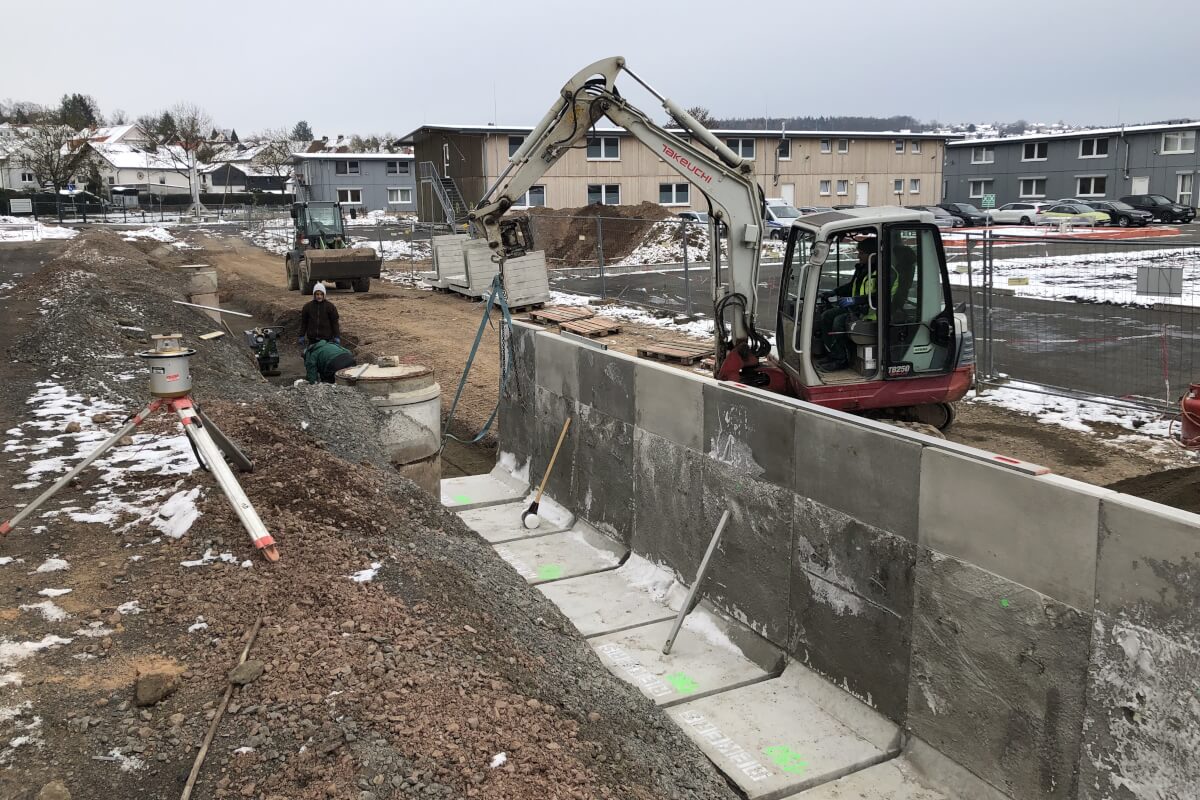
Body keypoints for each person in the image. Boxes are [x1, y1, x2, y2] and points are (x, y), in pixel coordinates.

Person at [299, 282, 340, 348]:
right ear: (314, 294)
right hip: (312, 339)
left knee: (324, 357)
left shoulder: (330, 307)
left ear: (324, 295)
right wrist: (302, 335)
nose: (319, 296)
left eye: (321, 294)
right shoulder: (307, 307)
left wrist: (337, 336)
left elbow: (334, 322)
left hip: (326, 339)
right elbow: (304, 322)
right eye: (317, 294)